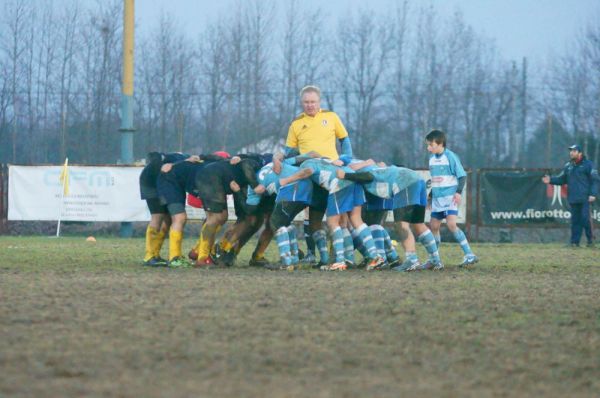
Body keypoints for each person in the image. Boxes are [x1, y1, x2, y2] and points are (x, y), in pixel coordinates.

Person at [285, 85, 353, 259]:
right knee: (313, 215)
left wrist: (345, 159)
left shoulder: (331, 117)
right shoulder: (296, 124)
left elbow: (344, 140)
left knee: (340, 215)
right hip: (310, 174)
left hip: (332, 171)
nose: (310, 105)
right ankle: (316, 255)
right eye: (306, 102)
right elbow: (290, 153)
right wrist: (303, 158)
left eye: (313, 102)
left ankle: (340, 255)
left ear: (319, 102)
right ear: (302, 103)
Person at [425, 129, 478, 267]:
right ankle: (435, 259)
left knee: (451, 224)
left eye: (431, 145)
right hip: (437, 199)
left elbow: (462, 176)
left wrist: (458, 192)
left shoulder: (450, 156)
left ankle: (469, 254)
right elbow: (436, 180)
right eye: (428, 145)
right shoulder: (431, 159)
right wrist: (430, 195)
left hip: (450, 198)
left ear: (440, 143)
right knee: (434, 226)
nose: (428, 148)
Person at [542, 144, 598, 247]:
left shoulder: (588, 164)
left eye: (574, 151)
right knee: (575, 221)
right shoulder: (568, 166)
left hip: (585, 198)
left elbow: (595, 180)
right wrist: (550, 180)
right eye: (570, 151)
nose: (571, 152)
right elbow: (561, 179)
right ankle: (574, 243)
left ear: (580, 153)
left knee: (585, 219)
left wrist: (593, 194)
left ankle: (591, 241)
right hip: (573, 198)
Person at [139, 151, 189, 266]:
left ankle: (154, 255)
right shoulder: (179, 158)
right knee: (158, 216)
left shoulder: (181, 160)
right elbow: (154, 155)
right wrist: (161, 166)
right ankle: (150, 256)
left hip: (157, 181)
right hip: (152, 183)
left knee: (167, 218)